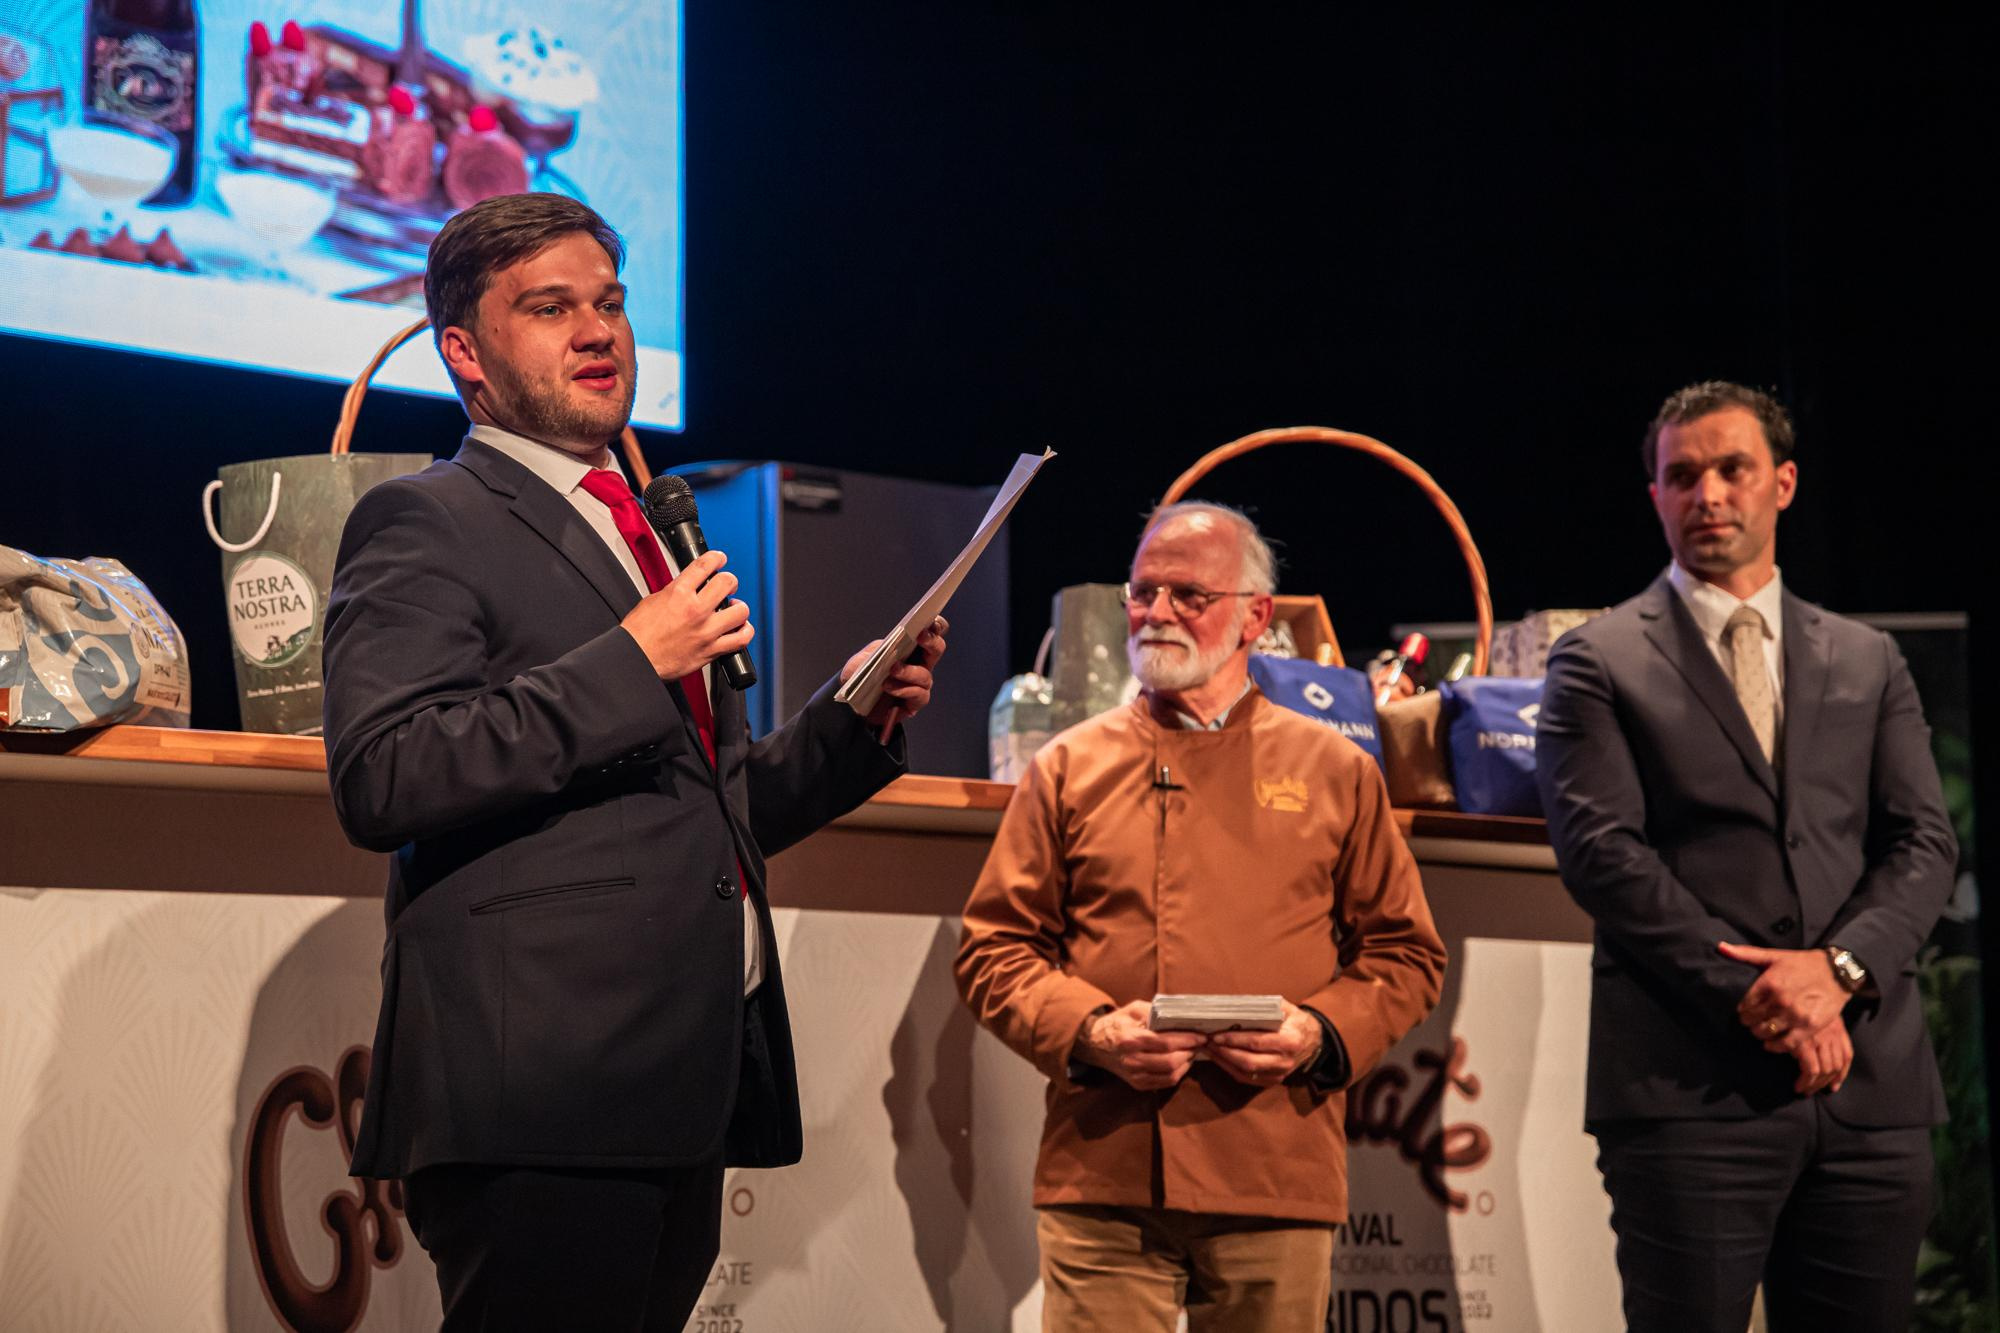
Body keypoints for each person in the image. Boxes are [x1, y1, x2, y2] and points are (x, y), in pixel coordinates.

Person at [321, 192, 946, 1329]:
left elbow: (706, 808)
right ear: (465, 353)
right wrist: (630, 660)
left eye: (608, 302)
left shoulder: (645, 525)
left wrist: (854, 724)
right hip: (539, 1087)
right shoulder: (424, 517)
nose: (598, 330)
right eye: (550, 307)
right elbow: (385, 772)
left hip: (673, 1074)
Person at [955, 501, 1446, 1332]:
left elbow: (1405, 955)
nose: (1157, 614)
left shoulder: (1335, 769)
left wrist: (1319, 1033)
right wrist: (1093, 1031)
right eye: (1143, 593)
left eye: (1189, 595)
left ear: (1256, 615)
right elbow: (993, 950)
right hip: (1104, 1166)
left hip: (1273, 1161)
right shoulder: (1069, 765)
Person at [1535, 381, 1957, 1332]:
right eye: (1682, 476)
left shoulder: (1866, 657)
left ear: (1785, 484)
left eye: (1733, 469)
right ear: (1655, 497)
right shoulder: (1598, 660)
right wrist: (1772, 997)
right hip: (1692, 1089)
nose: (1709, 494)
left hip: (1871, 1091)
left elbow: (1924, 841)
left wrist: (1839, 971)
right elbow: (1605, 858)